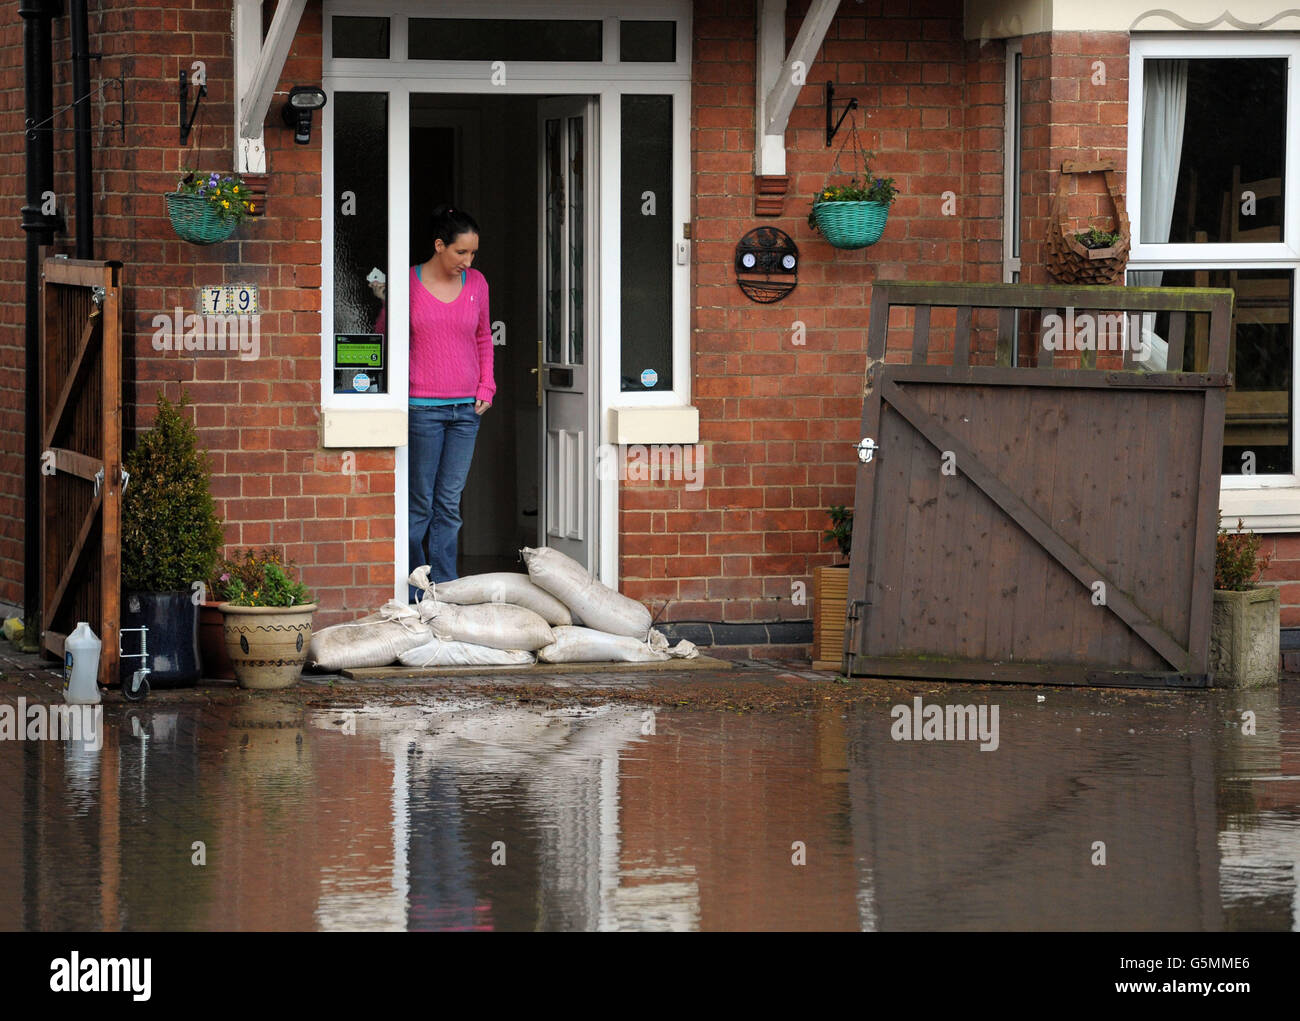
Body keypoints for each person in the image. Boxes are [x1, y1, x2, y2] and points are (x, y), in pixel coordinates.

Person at [374, 205, 495, 598]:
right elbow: (384, 336)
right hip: (422, 408)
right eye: (461, 252)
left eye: (473, 254)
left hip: (466, 412)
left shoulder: (477, 284)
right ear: (439, 245)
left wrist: (486, 385)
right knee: (420, 505)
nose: (468, 261)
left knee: (449, 505)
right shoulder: (407, 283)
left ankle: (444, 589)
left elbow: (482, 338)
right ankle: (412, 589)